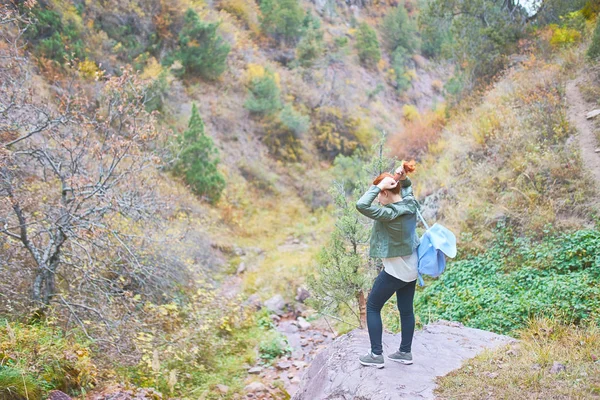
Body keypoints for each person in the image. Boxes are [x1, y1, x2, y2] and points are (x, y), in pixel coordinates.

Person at [355, 162, 419, 368]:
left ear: (384, 193)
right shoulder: (410, 203)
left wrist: (378, 186)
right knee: (406, 310)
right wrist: (401, 177)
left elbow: (361, 205)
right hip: (411, 268)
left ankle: (376, 355)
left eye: (380, 194)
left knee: (373, 306)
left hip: (395, 271)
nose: (378, 200)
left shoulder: (388, 213)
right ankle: (405, 352)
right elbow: (407, 187)